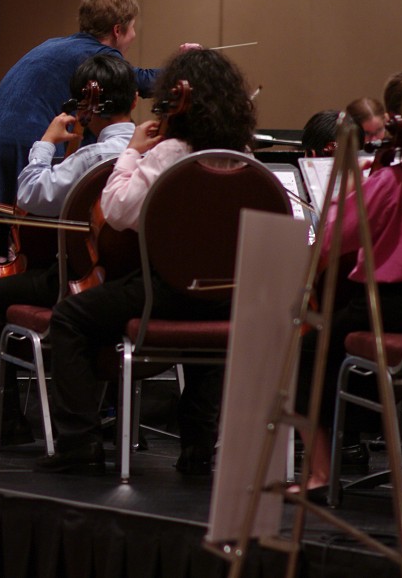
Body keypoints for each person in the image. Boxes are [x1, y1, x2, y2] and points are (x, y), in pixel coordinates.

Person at [38, 48, 256, 476]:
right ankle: (198, 451)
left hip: (168, 292)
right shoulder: (245, 156)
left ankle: (79, 443)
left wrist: (133, 152)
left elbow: (117, 211)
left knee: (68, 318)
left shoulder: (170, 152)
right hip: (227, 297)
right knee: (208, 344)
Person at [0, 55, 138, 449]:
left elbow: (31, 194)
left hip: (85, 281)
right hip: (136, 284)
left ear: (84, 108)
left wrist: (45, 143)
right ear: (136, 102)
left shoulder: (94, 157)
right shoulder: (151, 151)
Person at [297, 71, 402, 504]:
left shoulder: (386, 183)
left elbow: (328, 241)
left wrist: (362, 179)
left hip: (390, 308)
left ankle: (320, 472)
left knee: (308, 345)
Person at [0, 0, 198, 248]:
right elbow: (139, 82)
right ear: (117, 30)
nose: (133, 35)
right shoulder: (99, 54)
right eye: (132, 28)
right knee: (17, 244)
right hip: (23, 144)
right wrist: (186, 67)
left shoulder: (55, 44)